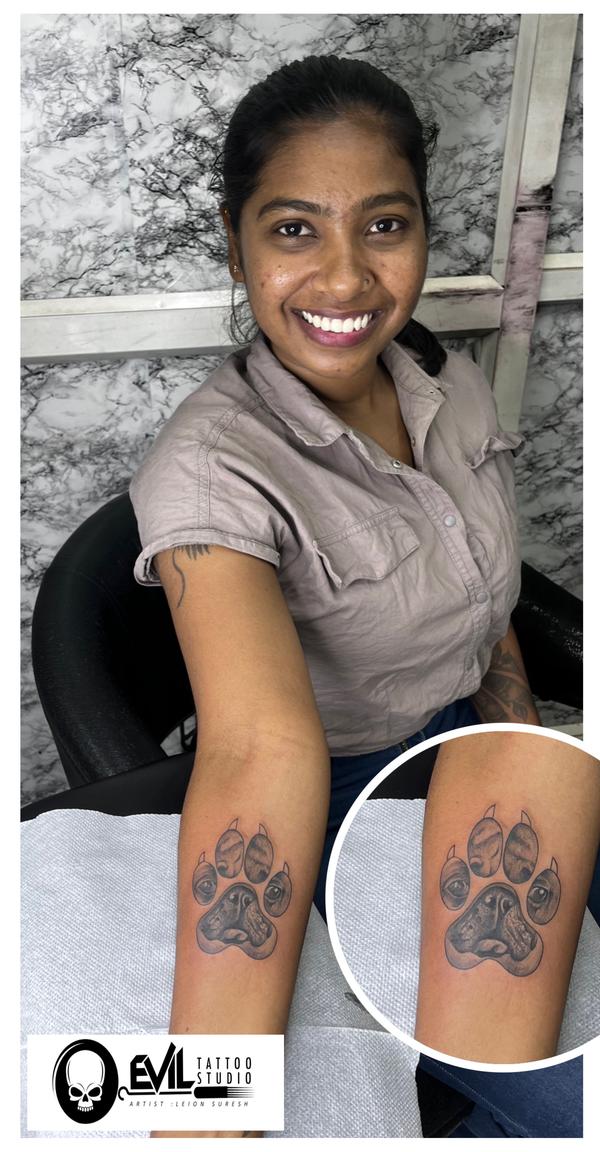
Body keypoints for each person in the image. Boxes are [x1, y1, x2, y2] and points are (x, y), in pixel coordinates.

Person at [129, 55, 590, 1139]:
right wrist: (205, 1110)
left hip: (482, 750)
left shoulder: (449, 384)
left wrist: (519, 742)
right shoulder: (211, 473)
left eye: (384, 226)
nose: (344, 281)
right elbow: (259, 756)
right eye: (294, 230)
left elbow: (486, 610)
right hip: (343, 797)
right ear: (236, 245)